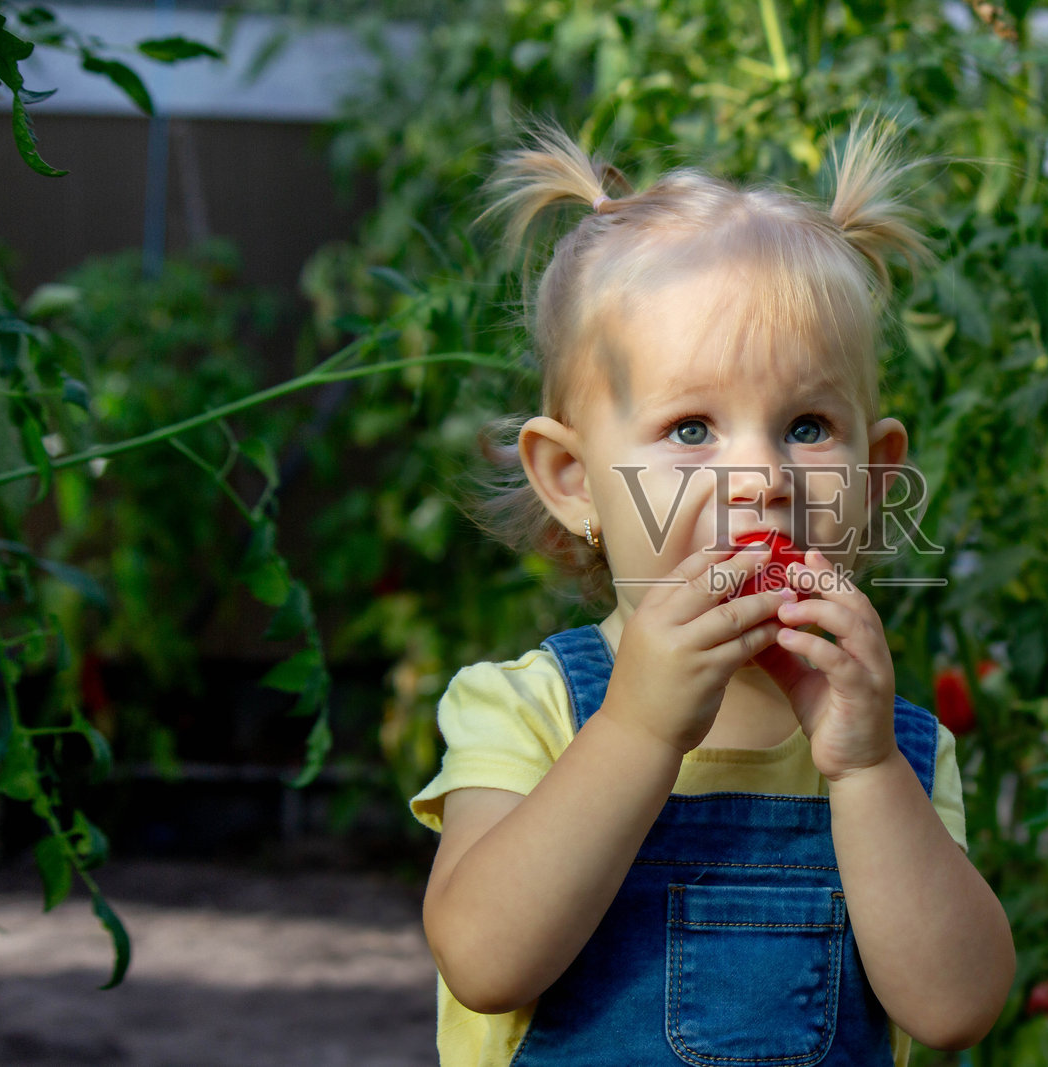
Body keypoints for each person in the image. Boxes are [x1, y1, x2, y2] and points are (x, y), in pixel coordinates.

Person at [409, 114, 1015, 1067]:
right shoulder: (531, 710)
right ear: (573, 481)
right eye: (692, 430)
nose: (761, 478)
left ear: (874, 475)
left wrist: (863, 772)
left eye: (808, 426)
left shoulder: (890, 748)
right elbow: (483, 959)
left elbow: (956, 1008)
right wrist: (639, 728)